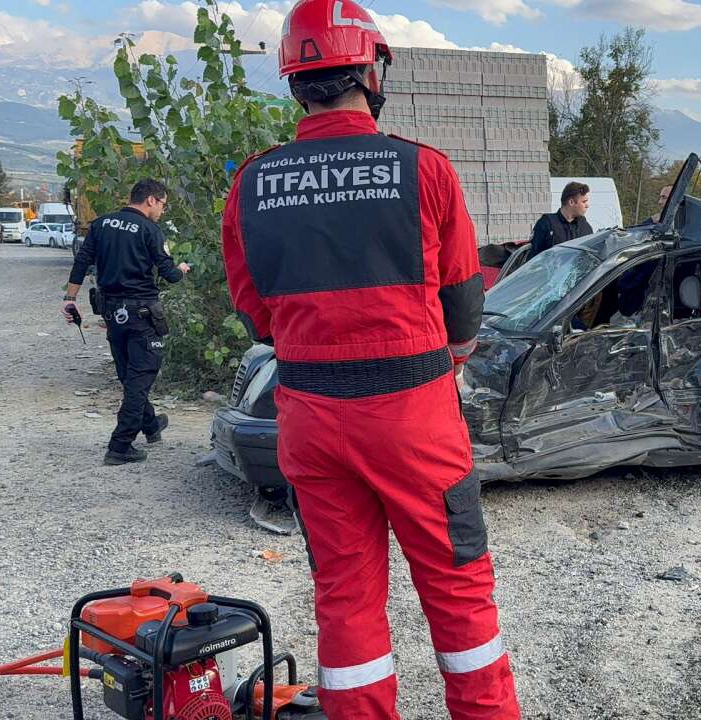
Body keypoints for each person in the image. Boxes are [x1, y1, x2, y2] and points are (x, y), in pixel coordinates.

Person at [219, 1, 519, 717]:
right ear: (372, 68)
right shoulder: (425, 169)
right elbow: (463, 306)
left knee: (346, 600)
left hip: (312, 423)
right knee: (457, 587)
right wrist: (439, 358)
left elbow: (253, 307)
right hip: (415, 417)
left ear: (295, 81)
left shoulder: (253, 184)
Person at [61, 179, 189, 466]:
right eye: (163, 205)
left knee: (129, 377)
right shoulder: (150, 230)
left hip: (112, 315)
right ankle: (120, 446)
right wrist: (182, 269)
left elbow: (81, 262)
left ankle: (152, 426)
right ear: (151, 200)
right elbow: (169, 274)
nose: (162, 211)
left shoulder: (100, 224)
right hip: (142, 315)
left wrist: (69, 299)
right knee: (139, 381)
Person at [528, 181, 592, 259]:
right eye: (584, 202)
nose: (587, 205)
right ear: (571, 202)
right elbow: (533, 259)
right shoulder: (546, 224)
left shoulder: (584, 226)